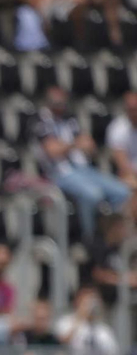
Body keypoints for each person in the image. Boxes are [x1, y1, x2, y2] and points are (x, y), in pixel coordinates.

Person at [35, 86, 130, 241]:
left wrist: (70, 145)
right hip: (60, 173)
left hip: (83, 169)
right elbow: (52, 151)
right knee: (93, 195)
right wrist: (73, 144)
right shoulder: (41, 121)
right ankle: (90, 237)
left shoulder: (70, 119)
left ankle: (111, 236)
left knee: (122, 192)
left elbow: (89, 146)